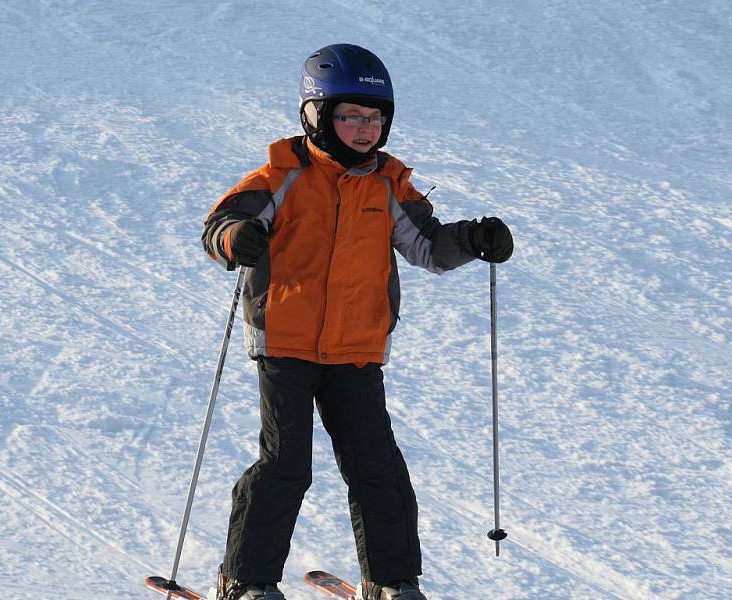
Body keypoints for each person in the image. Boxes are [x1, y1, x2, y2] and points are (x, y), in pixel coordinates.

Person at [201, 43, 513, 600]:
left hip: (357, 348)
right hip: (287, 344)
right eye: (350, 116)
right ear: (316, 115)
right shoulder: (281, 176)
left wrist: (472, 239)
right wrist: (235, 239)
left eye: (375, 118)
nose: (365, 129)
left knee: (378, 468)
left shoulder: (389, 184)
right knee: (285, 465)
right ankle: (246, 581)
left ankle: (392, 582)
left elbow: (428, 249)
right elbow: (221, 224)